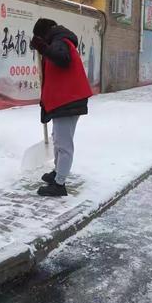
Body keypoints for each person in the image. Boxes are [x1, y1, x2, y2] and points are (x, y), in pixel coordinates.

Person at [30, 18, 93, 197]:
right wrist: (45, 107)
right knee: (58, 138)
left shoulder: (61, 41)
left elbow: (62, 59)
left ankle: (59, 185)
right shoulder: (59, 41)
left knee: (64, 144)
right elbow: (53, 78)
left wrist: (42, 47)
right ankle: (58, 173)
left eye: (40, 37)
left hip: (69, 100)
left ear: (45, 34)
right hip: (64, 100)